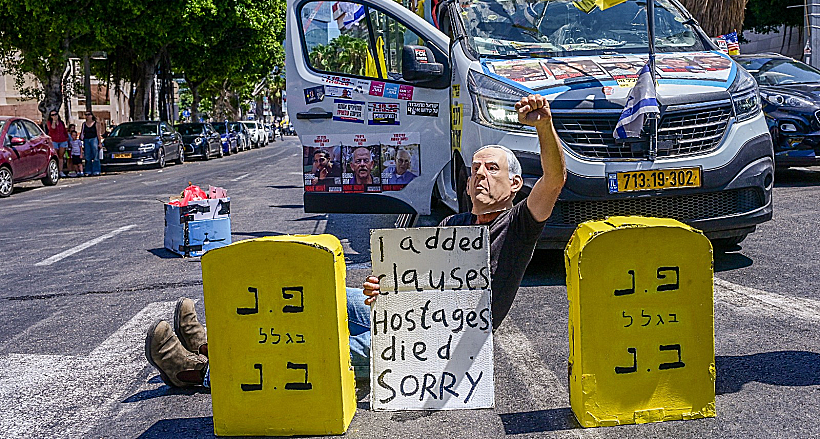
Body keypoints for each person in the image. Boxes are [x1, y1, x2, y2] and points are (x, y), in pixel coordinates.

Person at [145, 94, 565, 387]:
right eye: (475, 169)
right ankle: (213, 344)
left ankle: (197, 373)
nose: (480, 176)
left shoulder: (519, 224)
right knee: (321, 296)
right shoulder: (454, 222)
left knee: (321, 347)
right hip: (410, 313)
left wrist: (544, 126)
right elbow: (418, 278)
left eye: (492, 169)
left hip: (449, 340)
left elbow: (555, 178)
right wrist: (386, 287)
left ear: (515, 183)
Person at [46, 110, 69, 177]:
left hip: (62, 140)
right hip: (54, 140)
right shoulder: (49, 122)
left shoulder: (61, 122)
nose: (54, 116)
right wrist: (54, 121)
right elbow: (52, 129)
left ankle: (61, 171)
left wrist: (67, 139)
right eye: (52, 115)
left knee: (61, 156)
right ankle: (55, 171)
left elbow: (64, 131)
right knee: (55, 156)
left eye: (55, 114)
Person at [81, 112, 102, 176]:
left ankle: (96, 170)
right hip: (86, 140)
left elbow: (98, 134)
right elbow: (82, 132)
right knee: (87, 156)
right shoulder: (84, 124)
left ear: (92, 116)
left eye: (89, 115)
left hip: (94, 139)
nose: (87, 116)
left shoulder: (96, 123)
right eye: (86, 115)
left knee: (95, 155)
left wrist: (99, 142)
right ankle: (88, 170)